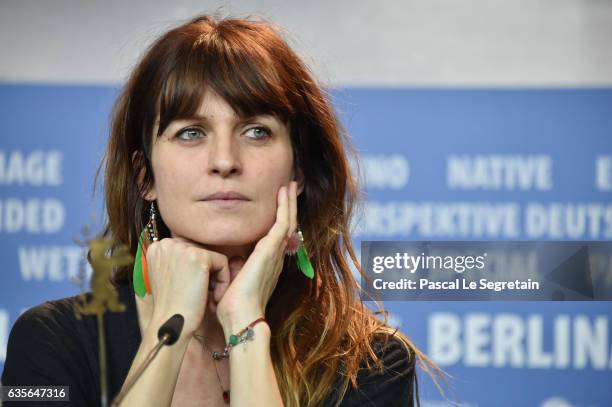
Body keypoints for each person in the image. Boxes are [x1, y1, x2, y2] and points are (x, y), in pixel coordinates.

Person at [2, 14, 442, 406]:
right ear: (145, 178)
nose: (225, 160)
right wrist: (168, 331)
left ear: (300, 171)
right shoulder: (47, 340)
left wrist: (246, 324)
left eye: (256, 131)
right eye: (191, 133)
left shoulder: (371, 363)